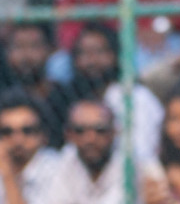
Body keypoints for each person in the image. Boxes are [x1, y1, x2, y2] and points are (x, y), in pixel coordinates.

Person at [67, 22, 162, 164]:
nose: (91, 61)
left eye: (99, 52)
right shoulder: (75, 97)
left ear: (115, 55)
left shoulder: (135, 97)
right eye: (84, 53)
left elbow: (142, 155)